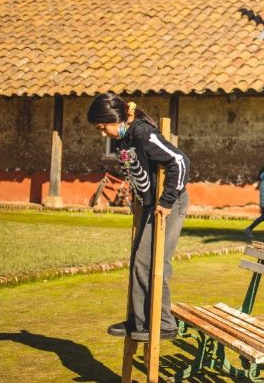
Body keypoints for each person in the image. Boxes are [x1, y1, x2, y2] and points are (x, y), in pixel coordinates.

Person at [87, 93, 190, 341]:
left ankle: (164, 324)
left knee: (153, 262)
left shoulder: (143, 134)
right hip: (149, 205)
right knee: (138, 262)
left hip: (169, 204)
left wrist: (166, 201)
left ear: (118, 118)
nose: (103, 134)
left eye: (103, 127)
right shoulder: (125, 138)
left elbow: (180, 161)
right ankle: (139, 320)